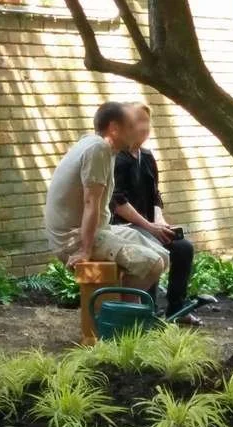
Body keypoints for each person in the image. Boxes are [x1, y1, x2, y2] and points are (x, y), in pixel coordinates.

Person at [44, 101, 169, 295]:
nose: (136, 131)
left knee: (163, 255)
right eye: (130, 126)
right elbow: (90, 202)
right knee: (153, 264)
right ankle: (116, 314)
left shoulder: (102, 147)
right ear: (114, 128)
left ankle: (122, 308)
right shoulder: (98, 149)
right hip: (73, 238)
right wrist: (85, 251)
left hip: (99, 229)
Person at [111, 102, 201, 325]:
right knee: (153, 248)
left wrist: (159, 221)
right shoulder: (117, 159)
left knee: (183, 248)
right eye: (138, 121)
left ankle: (176, 309)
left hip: (149, 226)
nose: (144, 126)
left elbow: (155, 196)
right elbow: (117, 202)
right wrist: (150, 227)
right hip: (123, 229)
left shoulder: (147, 156)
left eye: (146, 121)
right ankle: (147, 312)